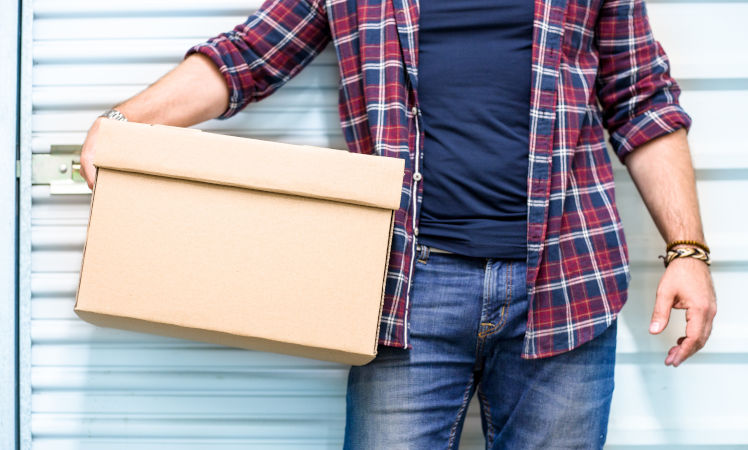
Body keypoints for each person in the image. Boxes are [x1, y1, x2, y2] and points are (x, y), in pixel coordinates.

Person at [80, 0, 717, 447]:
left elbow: (642, 100)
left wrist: (687, 248)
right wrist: (125, 124)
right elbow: (249, 57)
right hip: (406, 291)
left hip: (567, 284)